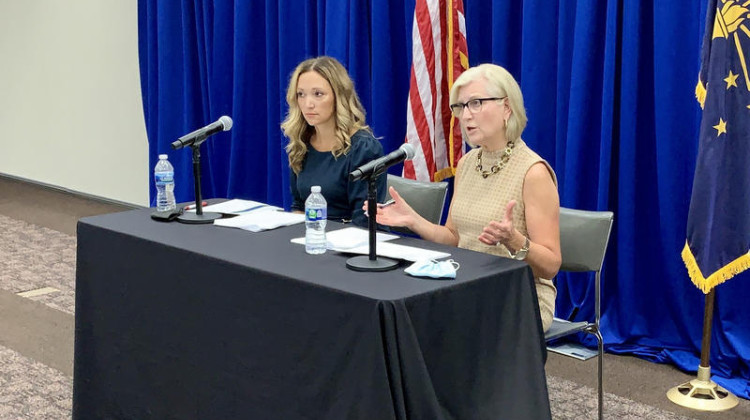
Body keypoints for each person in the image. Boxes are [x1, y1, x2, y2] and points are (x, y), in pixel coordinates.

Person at [370, 64, 561, 331]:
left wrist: (514, 240)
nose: (465, 116)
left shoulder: (533, 172)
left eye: (476, 103)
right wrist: (413, 220)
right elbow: (454, 238)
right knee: (398, 315)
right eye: (460, 107)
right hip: (467, 284)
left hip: (518, 294)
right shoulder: (469, 164)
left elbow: (551, 265)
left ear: (507, 108)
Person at [281, 56, 387, 227]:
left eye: (318, 94)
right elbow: (299, 206)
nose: (308, 104)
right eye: (301, 94)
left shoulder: (364, 149)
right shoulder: (301, 144)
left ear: (339, 97)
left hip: (352, 243)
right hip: (312, 238)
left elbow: (364, 220)